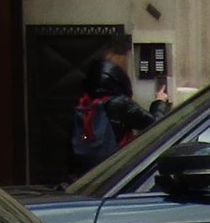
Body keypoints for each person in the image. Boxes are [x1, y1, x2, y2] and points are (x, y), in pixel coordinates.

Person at [71, 37, 168, 177]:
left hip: (88, 173)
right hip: (114, 170)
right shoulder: (120, 103)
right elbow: (155, 126)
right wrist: (160, 102)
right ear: (119, 73)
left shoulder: (86, 101)